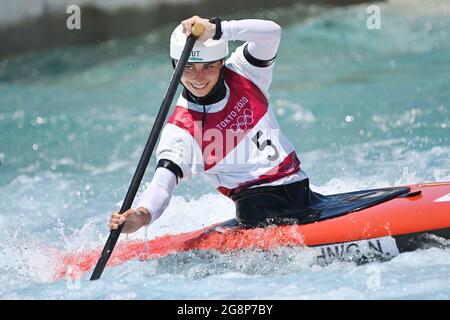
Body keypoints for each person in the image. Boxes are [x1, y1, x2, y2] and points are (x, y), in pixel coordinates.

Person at [109, 15, 317, 234]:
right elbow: (162, 184)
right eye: (188, 67)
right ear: (176, 67)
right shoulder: (181, 128)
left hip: (303, 190)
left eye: (208, 66)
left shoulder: (244, 73)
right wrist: (143, 215)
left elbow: (272, 32)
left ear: (221, 63)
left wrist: (219, 29)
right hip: (259, 210)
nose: (198, 77)